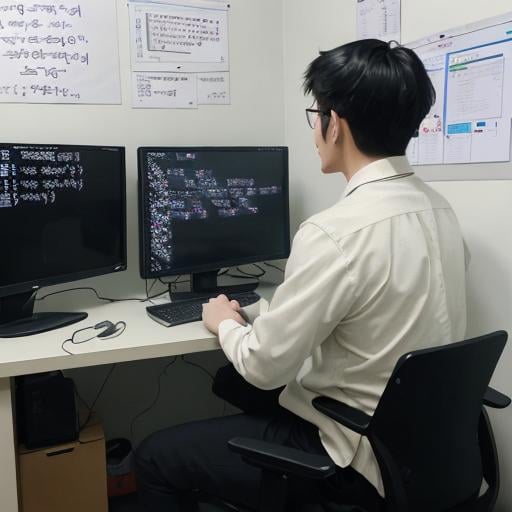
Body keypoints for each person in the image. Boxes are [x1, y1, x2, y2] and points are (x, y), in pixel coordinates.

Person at [135, 39, 468, 511]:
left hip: (351, 463)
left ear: (336, 124)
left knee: (153, 456)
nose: (314, 130)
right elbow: (373, 312)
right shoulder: (441, 210)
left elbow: (264, 368)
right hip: (420, 453)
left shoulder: (335, 232)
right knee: (225, 386)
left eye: (317, 115)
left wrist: (223, 322)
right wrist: (258, 311)